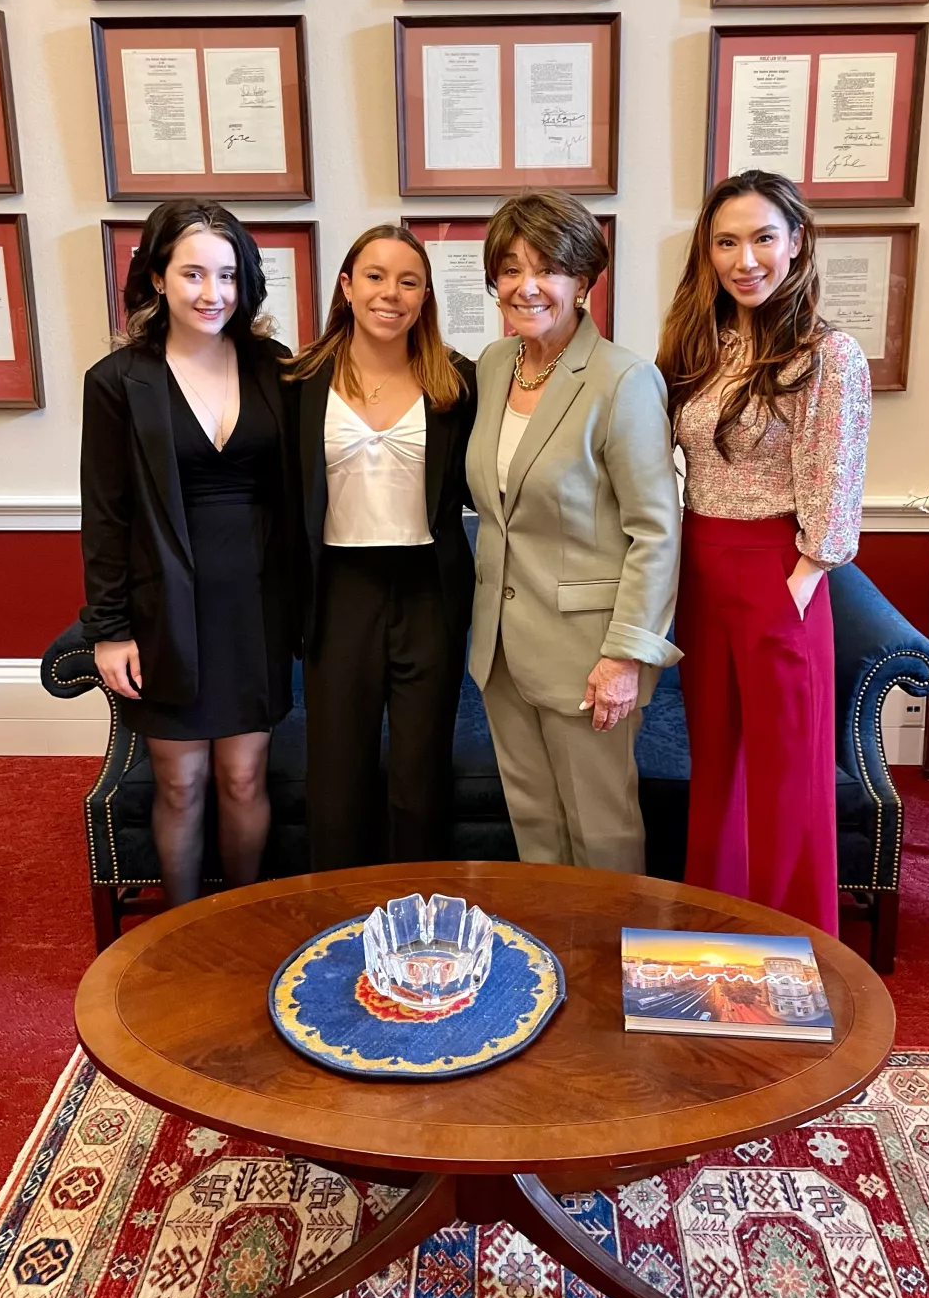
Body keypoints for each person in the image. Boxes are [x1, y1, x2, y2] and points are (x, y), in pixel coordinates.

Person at [658, 169, 871, 935]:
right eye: (726, 241)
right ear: (707, 252)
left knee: (788, 776)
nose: (745, 258)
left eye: (762, 238)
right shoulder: (697, 346)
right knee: (716, 768)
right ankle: (715, 938)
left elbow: (836, 483)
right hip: (700, 568)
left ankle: (792, 949)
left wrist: (803, 579)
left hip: (781, 573)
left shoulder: (829, 356)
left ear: (796, 242)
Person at [80, 200, 295, 907]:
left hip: (256, 605)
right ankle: (180, 937)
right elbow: (106, 515)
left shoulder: (276, 367)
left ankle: (240, 924)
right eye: (194, 273)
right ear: (158, 277)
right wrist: (109, 631)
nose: (213, 293)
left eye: (228, 275)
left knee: (242, 777)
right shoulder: (116, 382)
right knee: (181, 780)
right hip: (164, 607)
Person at [466, 190, 681, 873]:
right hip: (502, 646)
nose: (525, 286)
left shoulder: (624, 381)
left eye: (547, 269)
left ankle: (608, 963)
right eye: (509, 269)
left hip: (589, 652)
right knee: (534, 820)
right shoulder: (494, 366)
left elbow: (656, 530)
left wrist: (625, 657)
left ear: (584, 279)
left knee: (601, 829)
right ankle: (552, 960)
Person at [283, 225, 476, 870]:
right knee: (339, 772)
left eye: (408, 281)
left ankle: (423, 924)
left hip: (430, 591)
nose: (390, 293)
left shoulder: (459, 385)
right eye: (374, 276)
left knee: (421, 774)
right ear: (345, 285)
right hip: (338, 588)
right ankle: (340, 914)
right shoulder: (298, 382)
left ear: (425, 299)